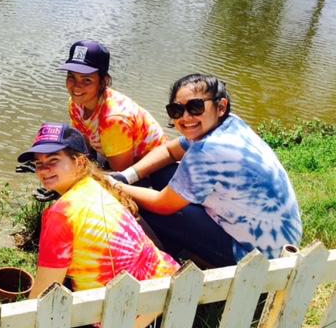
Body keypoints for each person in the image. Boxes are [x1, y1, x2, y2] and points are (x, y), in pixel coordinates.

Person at [0, 123, 180, 328]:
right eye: (39, 163)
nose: (43, 170)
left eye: (53, 160)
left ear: (80, 162)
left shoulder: (62, 214)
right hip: (168, 304)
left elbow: (45, 293)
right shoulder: (97, 187)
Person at [116, 74, 302, 268]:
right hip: (280, 241)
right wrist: (127, 176)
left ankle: (175, 259)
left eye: (195, 107)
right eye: (177, 110)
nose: (186, 117)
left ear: (221, 106)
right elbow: (170, 151)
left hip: (255, 257)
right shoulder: (229, 124)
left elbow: (163, 204)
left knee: (141, 210)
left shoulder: (208, 151)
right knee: (160, 172)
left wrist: (115, 185)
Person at [58, 40, 167, 172]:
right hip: (114, 152)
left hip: (152, 168)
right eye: (71, 77)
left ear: (104, 81)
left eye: (87, 80)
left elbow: (122, 173)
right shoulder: (76, 103)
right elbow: (84, 145)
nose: (76, 86)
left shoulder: (114, 118)